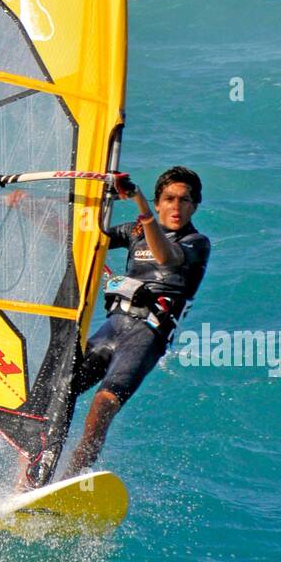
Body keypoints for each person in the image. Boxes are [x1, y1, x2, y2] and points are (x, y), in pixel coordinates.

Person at [61, 166, 210, 478]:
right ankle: (36, 464)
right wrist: (28, 207)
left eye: (185, 200)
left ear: (195, 206)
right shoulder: (134, 233)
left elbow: (166, 256)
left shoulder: (196, 243)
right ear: (159, 203)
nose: (176, 206)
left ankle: (72, 476)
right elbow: (84, 238)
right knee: (61, 390)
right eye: (169, 199)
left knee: (104, 402)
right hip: (112, 327)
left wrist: (141, 206)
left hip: (146, 336)